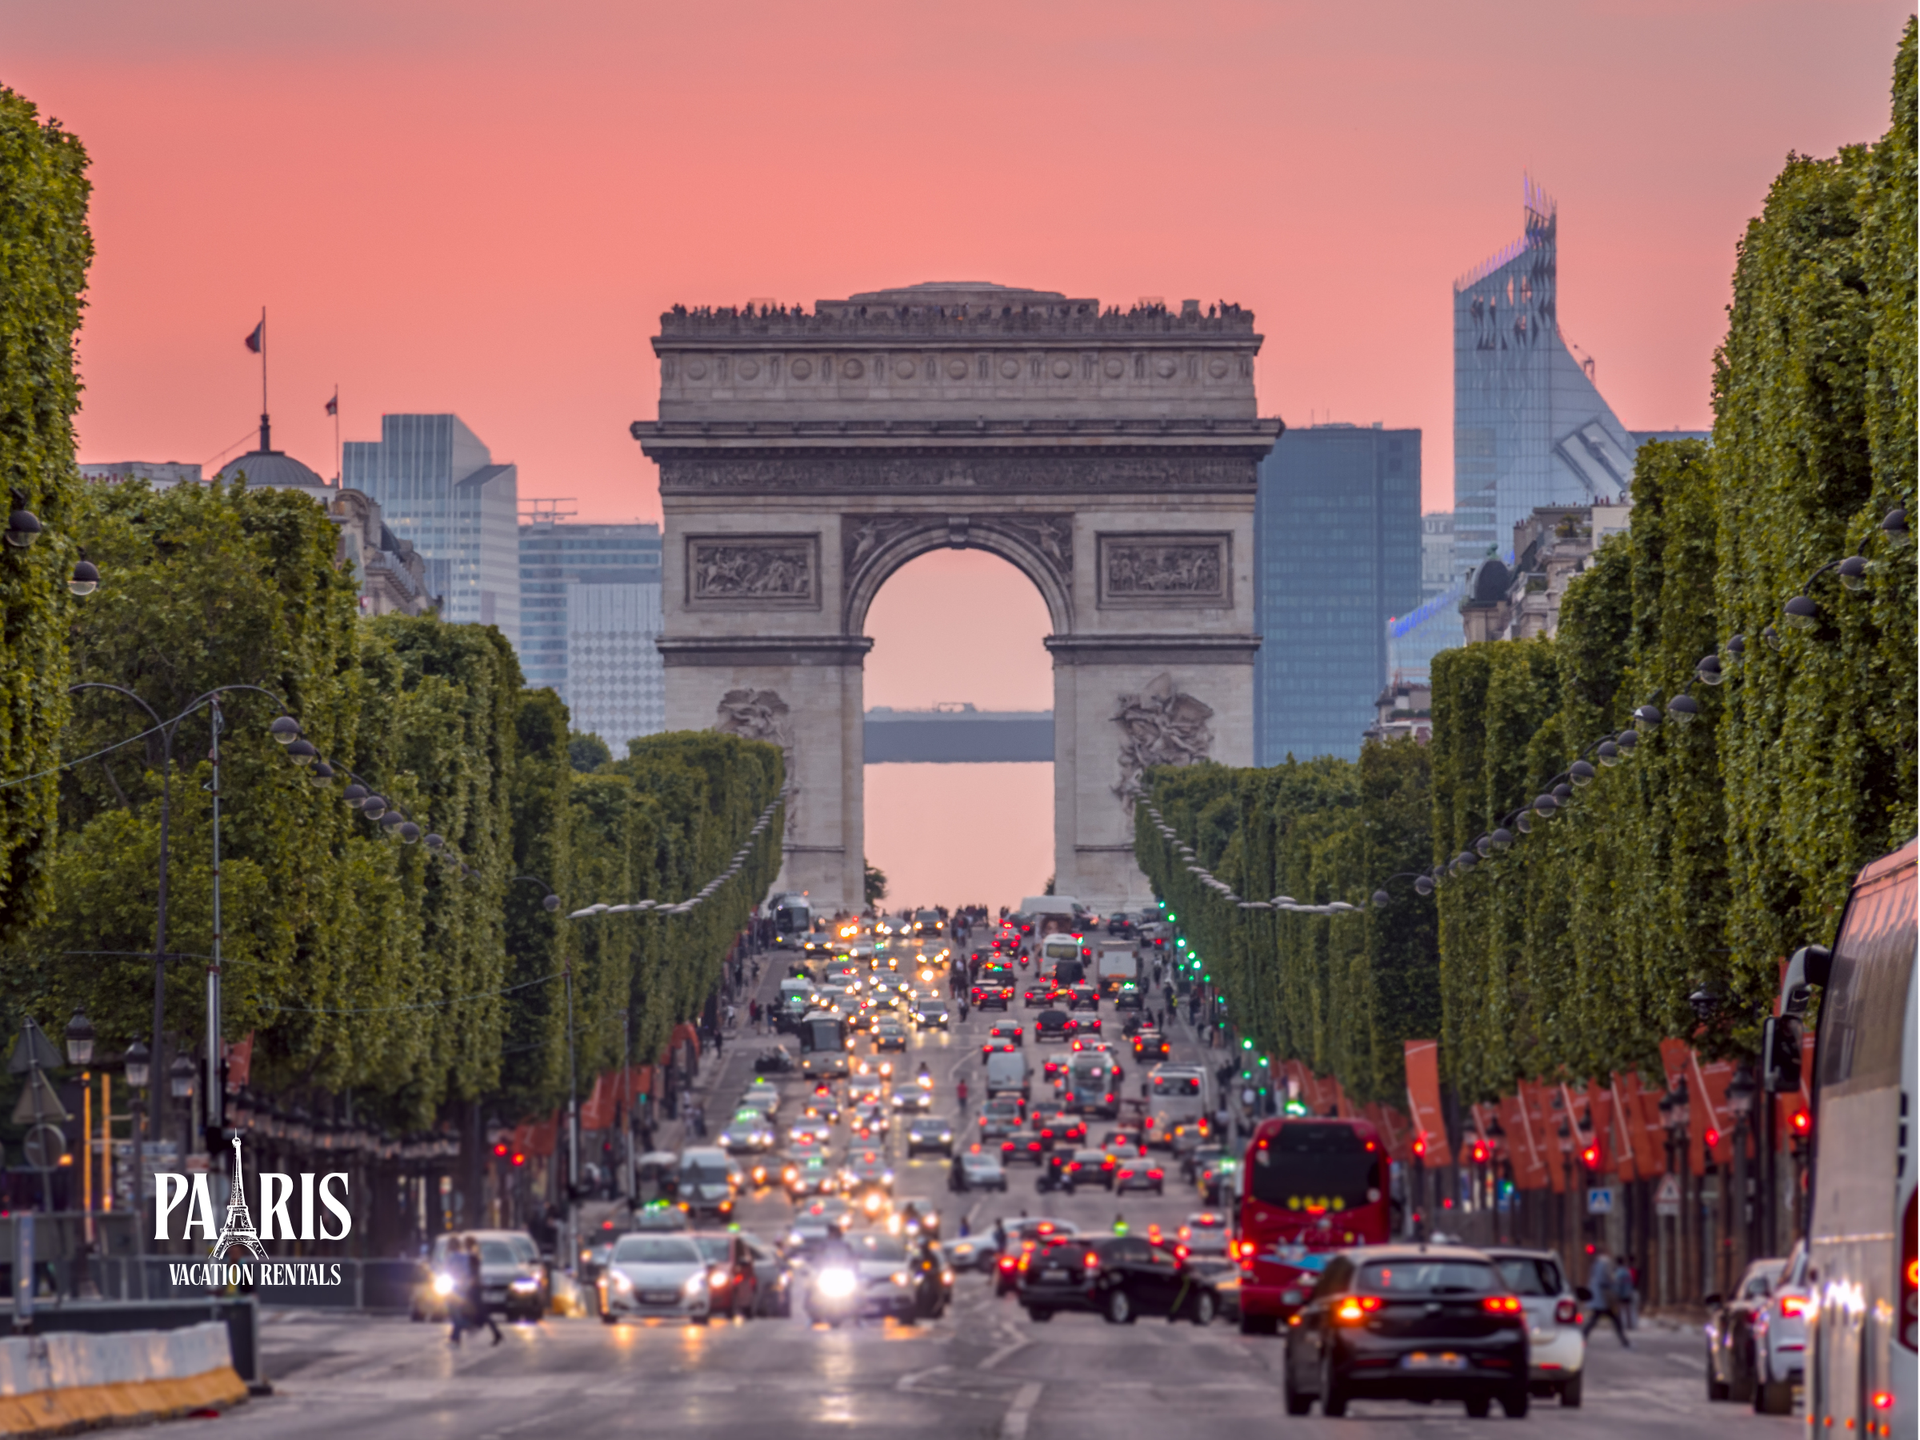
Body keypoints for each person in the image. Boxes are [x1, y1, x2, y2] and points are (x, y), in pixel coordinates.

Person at [1583, 1250, 1631, 1347]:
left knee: (1595, 1318)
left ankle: (1583, 1337)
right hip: (1605, 1298)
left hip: (1598, 1297)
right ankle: (1624, 1341)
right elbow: (1609, 1278)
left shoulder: (1596, 1263)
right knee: (1615, 1318)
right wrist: (1615, 1283)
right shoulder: (1606, 1262)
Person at [465, 1236, 503, 1345]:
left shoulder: (472, 1256)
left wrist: (470, 1283)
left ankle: (492, 1331)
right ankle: (494, 1332)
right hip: (475, 1286)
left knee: (480, 1311)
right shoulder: (474, 1255)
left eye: (466, 1243)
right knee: (479, 1310)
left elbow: (473, 1273)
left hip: (474, 1286)